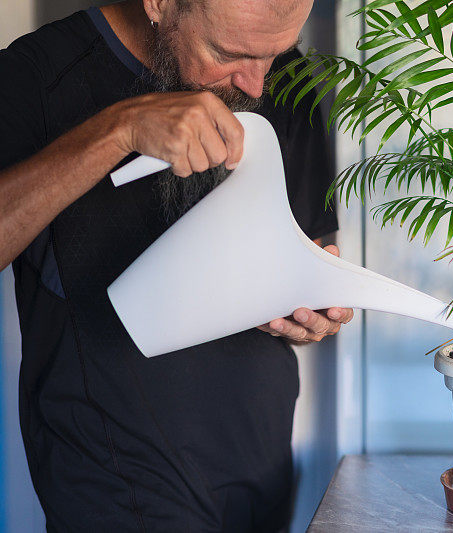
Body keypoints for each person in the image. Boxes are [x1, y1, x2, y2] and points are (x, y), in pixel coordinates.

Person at [0, 0, 353, 530]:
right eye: (229, 54)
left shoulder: (288, 77)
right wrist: (121, 128)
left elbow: (308, 249)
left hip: (262, 474)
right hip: (116, 490)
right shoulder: (37, 74)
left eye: (272, 56)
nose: (256, 86)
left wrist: (314, 311)